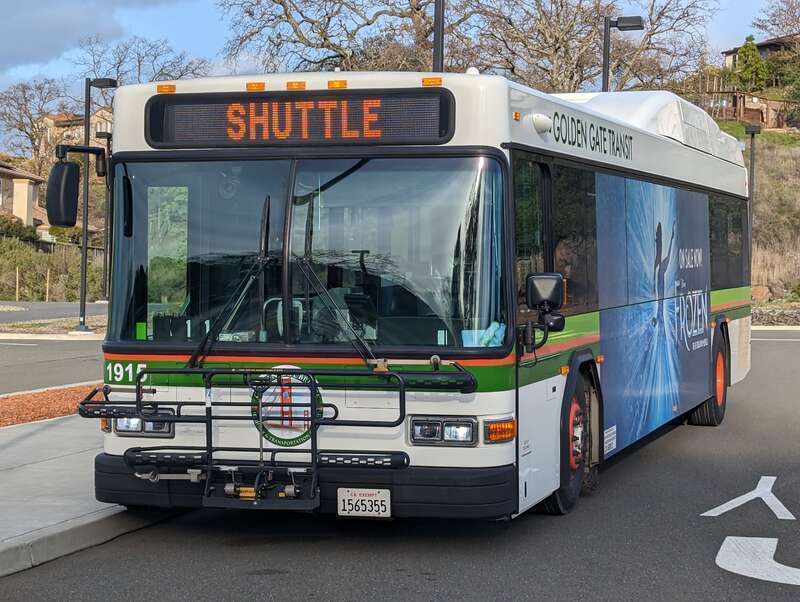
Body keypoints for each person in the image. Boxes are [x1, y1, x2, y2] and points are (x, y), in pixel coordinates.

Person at [652, 221, 676, 327]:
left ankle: (658, 320)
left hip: (660, 295)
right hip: (659, 295)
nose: (656, 241)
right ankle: (658, 320)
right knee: (659, 307)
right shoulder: (658, 264)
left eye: (658, 239)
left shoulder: (661, 265)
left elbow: (670, 253)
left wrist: (671, 237)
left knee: (660, 307)